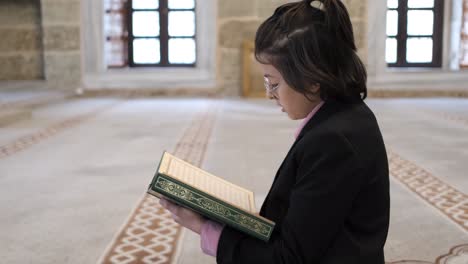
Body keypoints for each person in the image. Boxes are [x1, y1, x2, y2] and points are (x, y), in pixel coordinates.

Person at [159, 0, 390, 263]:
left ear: (313, 80)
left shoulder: (333, 141)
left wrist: (204, 228)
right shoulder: (344, 116)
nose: (270, 95)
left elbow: (288, 259)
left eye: (274, 83)